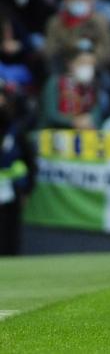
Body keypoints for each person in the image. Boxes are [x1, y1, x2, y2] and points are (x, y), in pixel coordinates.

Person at [0, 83, 37, 255]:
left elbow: (29, 160)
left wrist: (27, 189)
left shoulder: (16, 128)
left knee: (10, 231)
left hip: (12, 189)